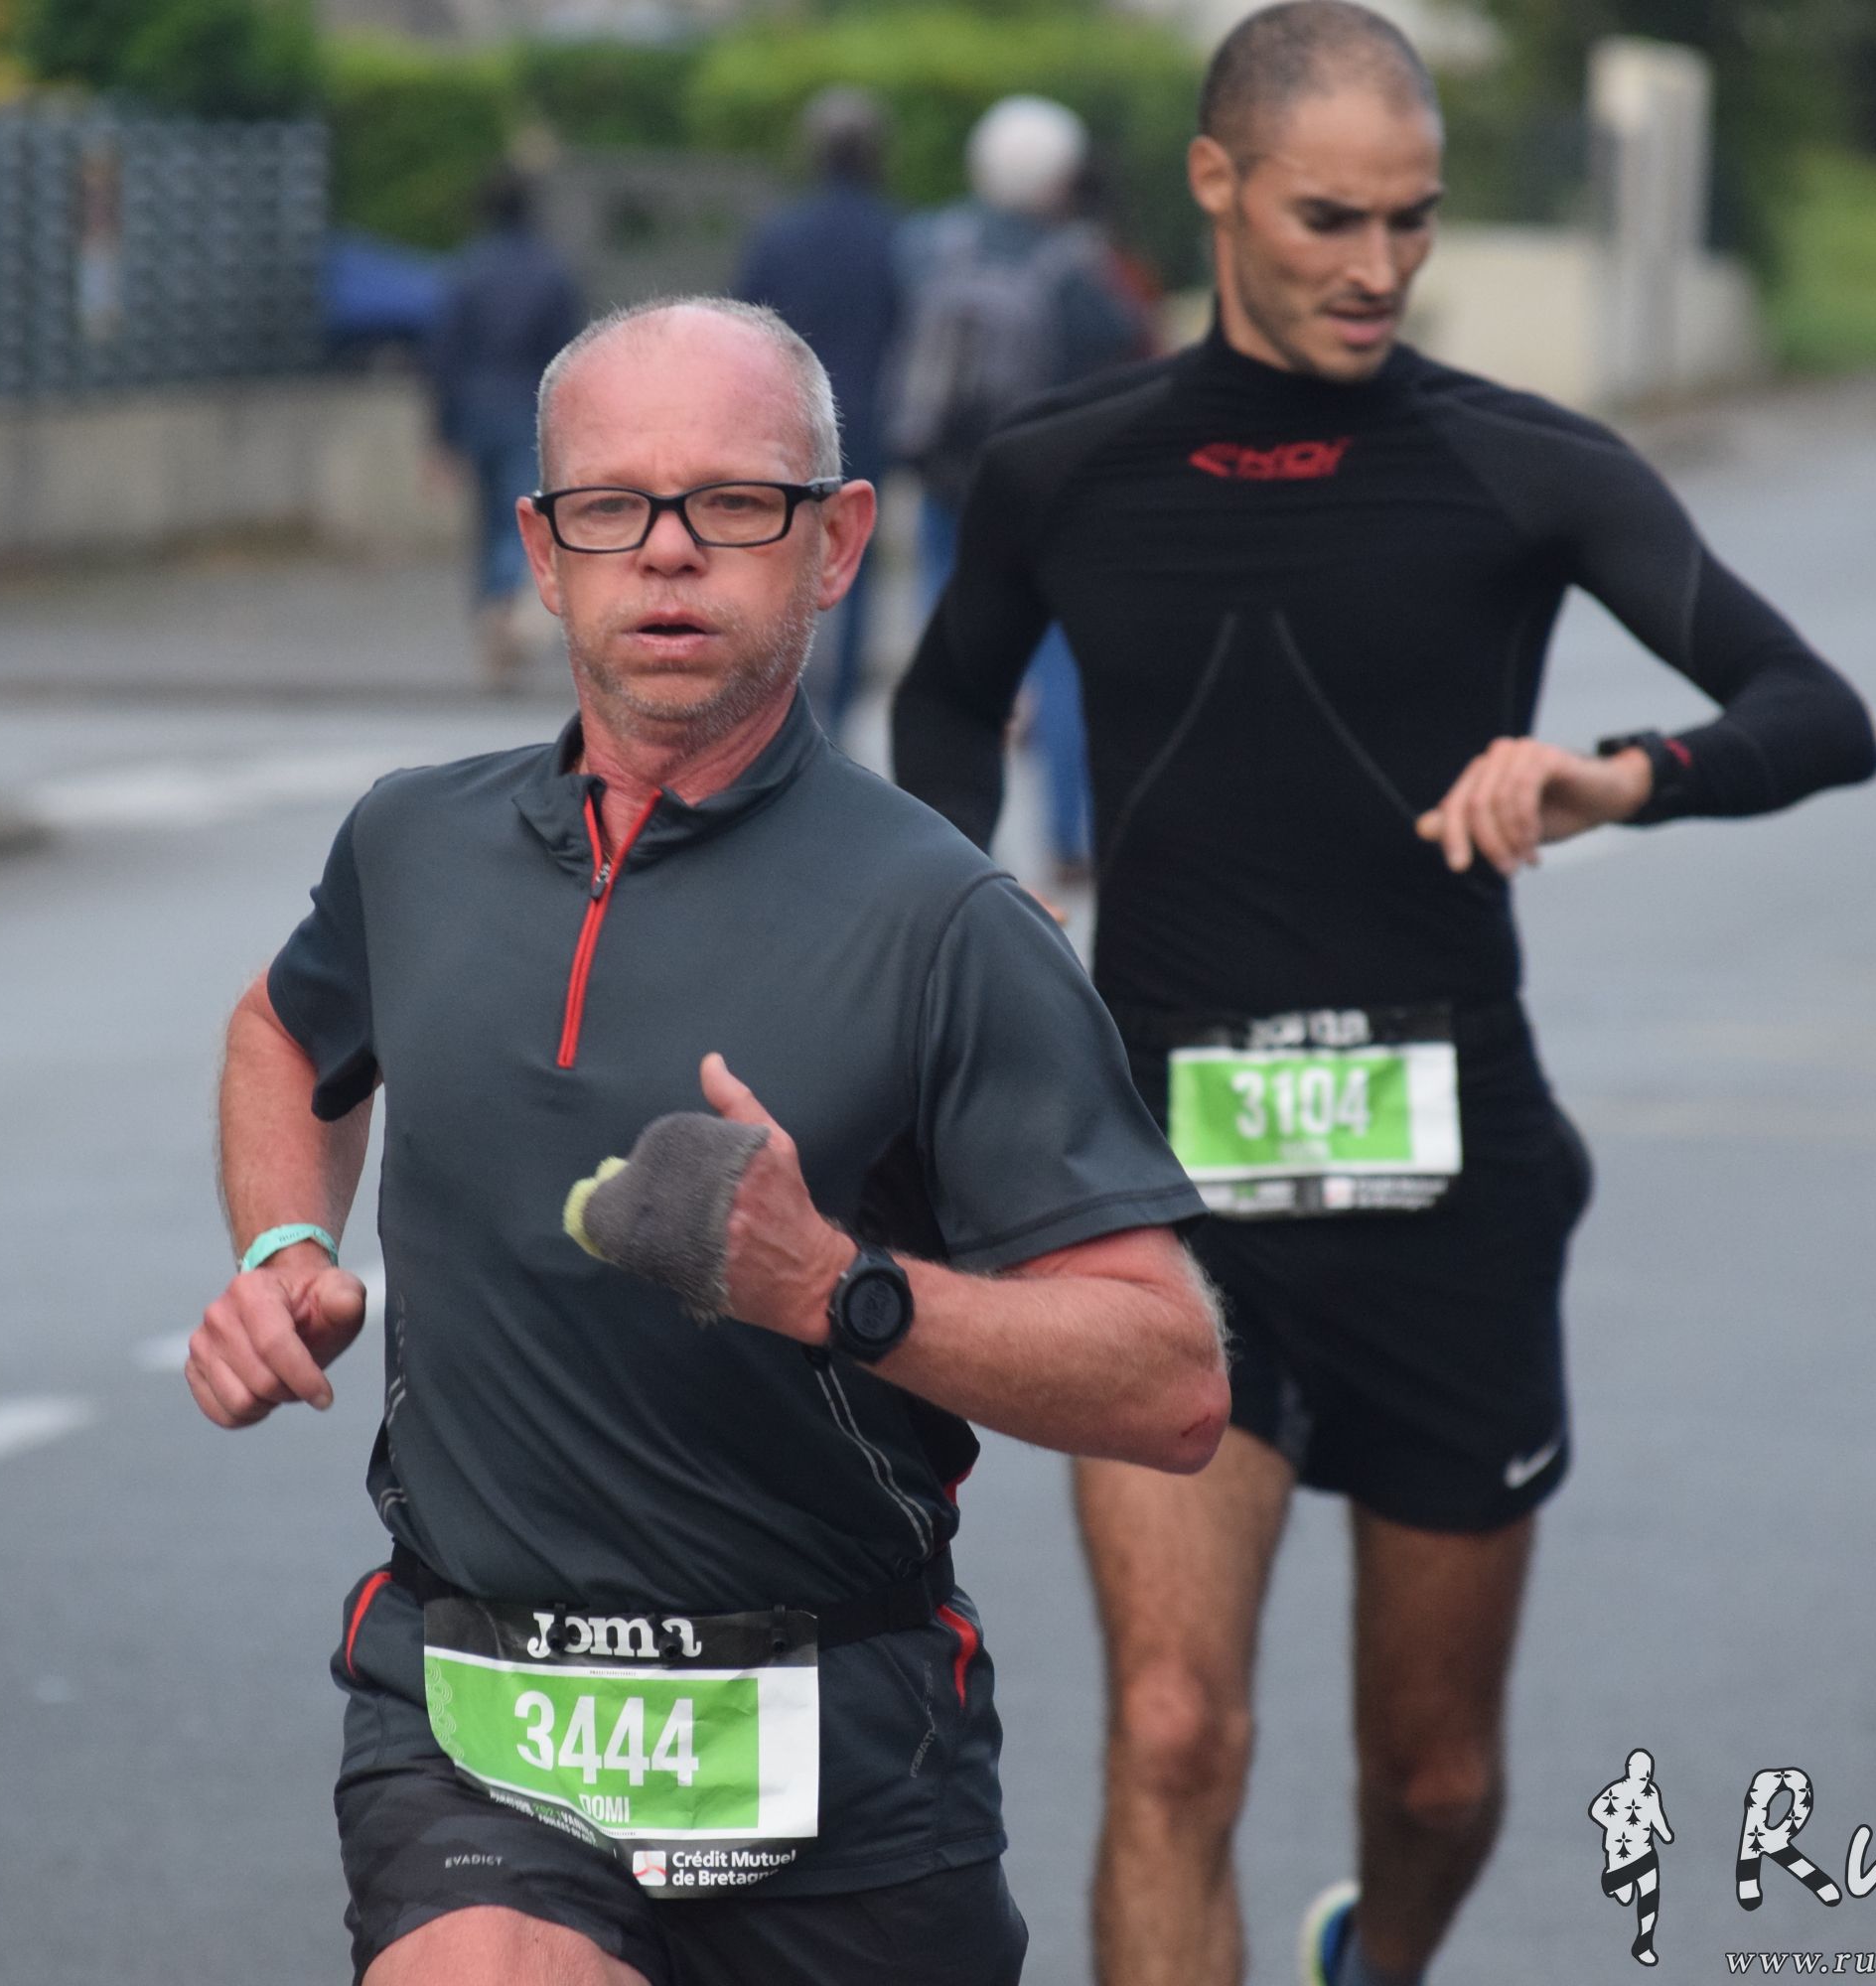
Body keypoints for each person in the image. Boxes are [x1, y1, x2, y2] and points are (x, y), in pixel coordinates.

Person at [888, 8, 1876, 1985]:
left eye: (1410, 220)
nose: (1376, 266)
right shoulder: (1067, 467)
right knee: (1174, 1731)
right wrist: (967, 931)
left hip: (1450, 1195)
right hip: (1163, 1194)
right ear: (1215, 185)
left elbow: (1813, 710)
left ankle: (1377, 1954)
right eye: (1327, 218)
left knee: (1434, 1777)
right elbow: (938, 705)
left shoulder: (1520, 465)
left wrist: (1613, 778)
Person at [192, 296, 1228, 1986]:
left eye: (734, 503)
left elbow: (1170, 1382)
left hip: (844, 1752)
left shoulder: (947, 922)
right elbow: (284, 1032)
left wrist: (839, 1290)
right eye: (612, 506)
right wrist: (282, 1246)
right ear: (544, 553)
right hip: (486, 1716)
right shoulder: (412, 845)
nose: (667, 552)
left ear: (837, 542)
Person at [891, 94, 1144, 884]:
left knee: (948, 653)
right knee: (1063, 658)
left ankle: (947, 837)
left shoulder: (928, 244)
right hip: (1046, 486)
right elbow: (1118, 352)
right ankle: (1069, 838)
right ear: (1060, 176)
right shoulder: (1076, 263)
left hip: (946, 478)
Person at [733, 87, 904, 731]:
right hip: (868, 418)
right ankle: (838, 713)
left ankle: (783, 708)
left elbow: (743, 329)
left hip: (786, 420)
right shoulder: (896, 235)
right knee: (852, 561)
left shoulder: (780, 234)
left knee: (776, 556)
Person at [428, 167, 583, 690]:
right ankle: (505, 605)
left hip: (475, 410)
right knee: (520, 516)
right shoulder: (552, 271)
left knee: (486, 517)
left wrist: (441, 434)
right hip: (529, 408)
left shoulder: (466, 271)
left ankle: (488, 612)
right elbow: (568, 354)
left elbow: (444, 357)